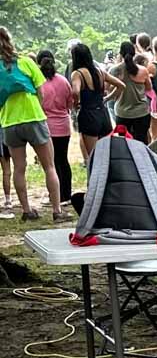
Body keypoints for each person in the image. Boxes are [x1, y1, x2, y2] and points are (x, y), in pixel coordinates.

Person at [0, 27, 67, 222]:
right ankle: (57, 211)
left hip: (9, 122)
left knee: (19, 168)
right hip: (33, 117)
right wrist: (37, 108)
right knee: (49, 166)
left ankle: (27, 210)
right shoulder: (26, 62)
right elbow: (41, 91)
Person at [70, 42, 122, 159]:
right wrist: (108, 98)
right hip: (103, 114)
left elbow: (75, 91)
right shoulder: (99, 72)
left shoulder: (77, 74)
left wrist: (75, 104)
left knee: (93, 157)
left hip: (88, 115)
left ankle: (95, 176)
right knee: (106, 154)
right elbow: (121, 85)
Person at [36, 50, 74, 204]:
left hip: (47, 126)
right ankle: (67, 194)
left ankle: (54, 196)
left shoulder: (38, 83)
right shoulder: (63, 81)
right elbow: (69, 102)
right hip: (63, 125)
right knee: (63, 160)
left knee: (50, 164)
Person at [109, 41, 153, 143]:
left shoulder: (115, 70)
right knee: (142, 141)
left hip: (122, 112)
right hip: (141, 112)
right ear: (134, 53)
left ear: (121, 53)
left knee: (123, 141)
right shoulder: (143, 70)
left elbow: (108, 89)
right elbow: (149, 88)